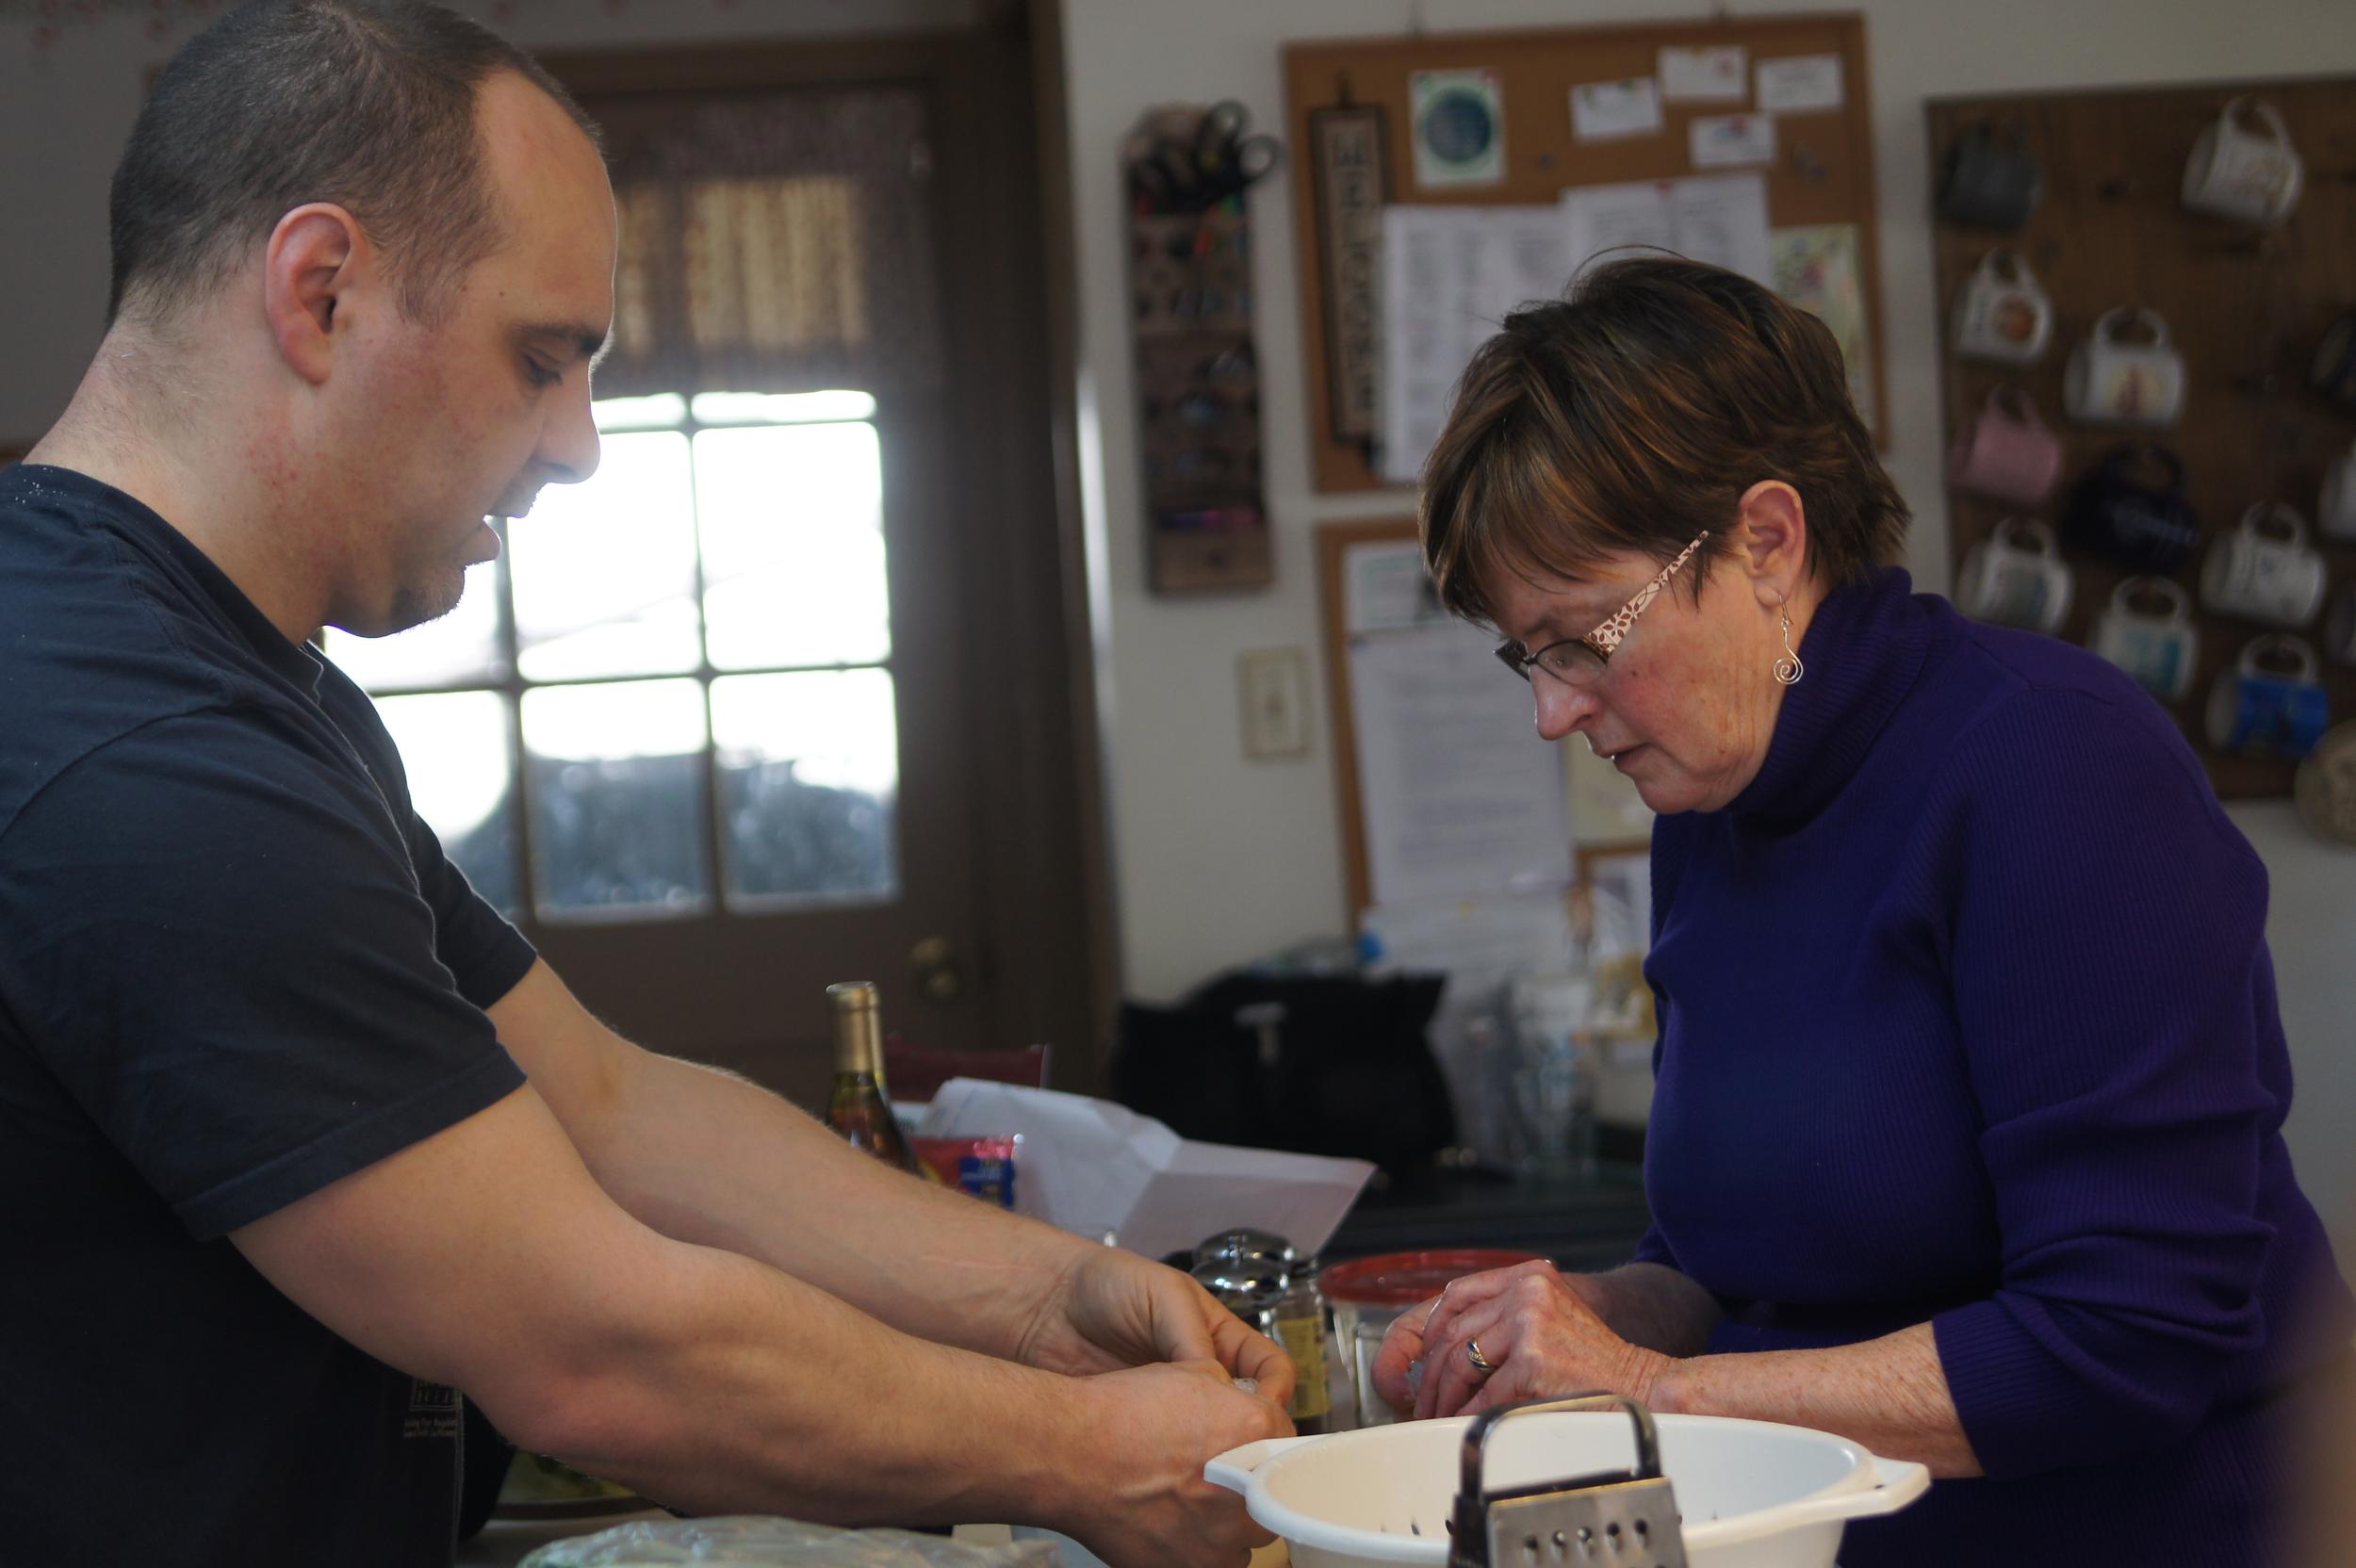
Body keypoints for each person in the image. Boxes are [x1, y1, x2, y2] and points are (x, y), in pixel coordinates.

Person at [0, 5, 1289, 1566]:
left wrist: (1042, 1294)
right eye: (542, 360)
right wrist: (1084, 1456)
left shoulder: (233, 682)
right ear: (319, 290)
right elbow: (590, 1346)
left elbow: (611, 1108)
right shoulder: (134, 750)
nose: (579, 448)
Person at [1371, 256, 2355, 1566]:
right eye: (1526, 656)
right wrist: (1579, 1313)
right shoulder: (1717, 805)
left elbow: (2131, 1334)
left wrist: (1650, 1390)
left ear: (1767, 544)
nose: (1552, 713)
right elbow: (1741, 1256)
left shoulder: (2054, 767)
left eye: (1587, 640)